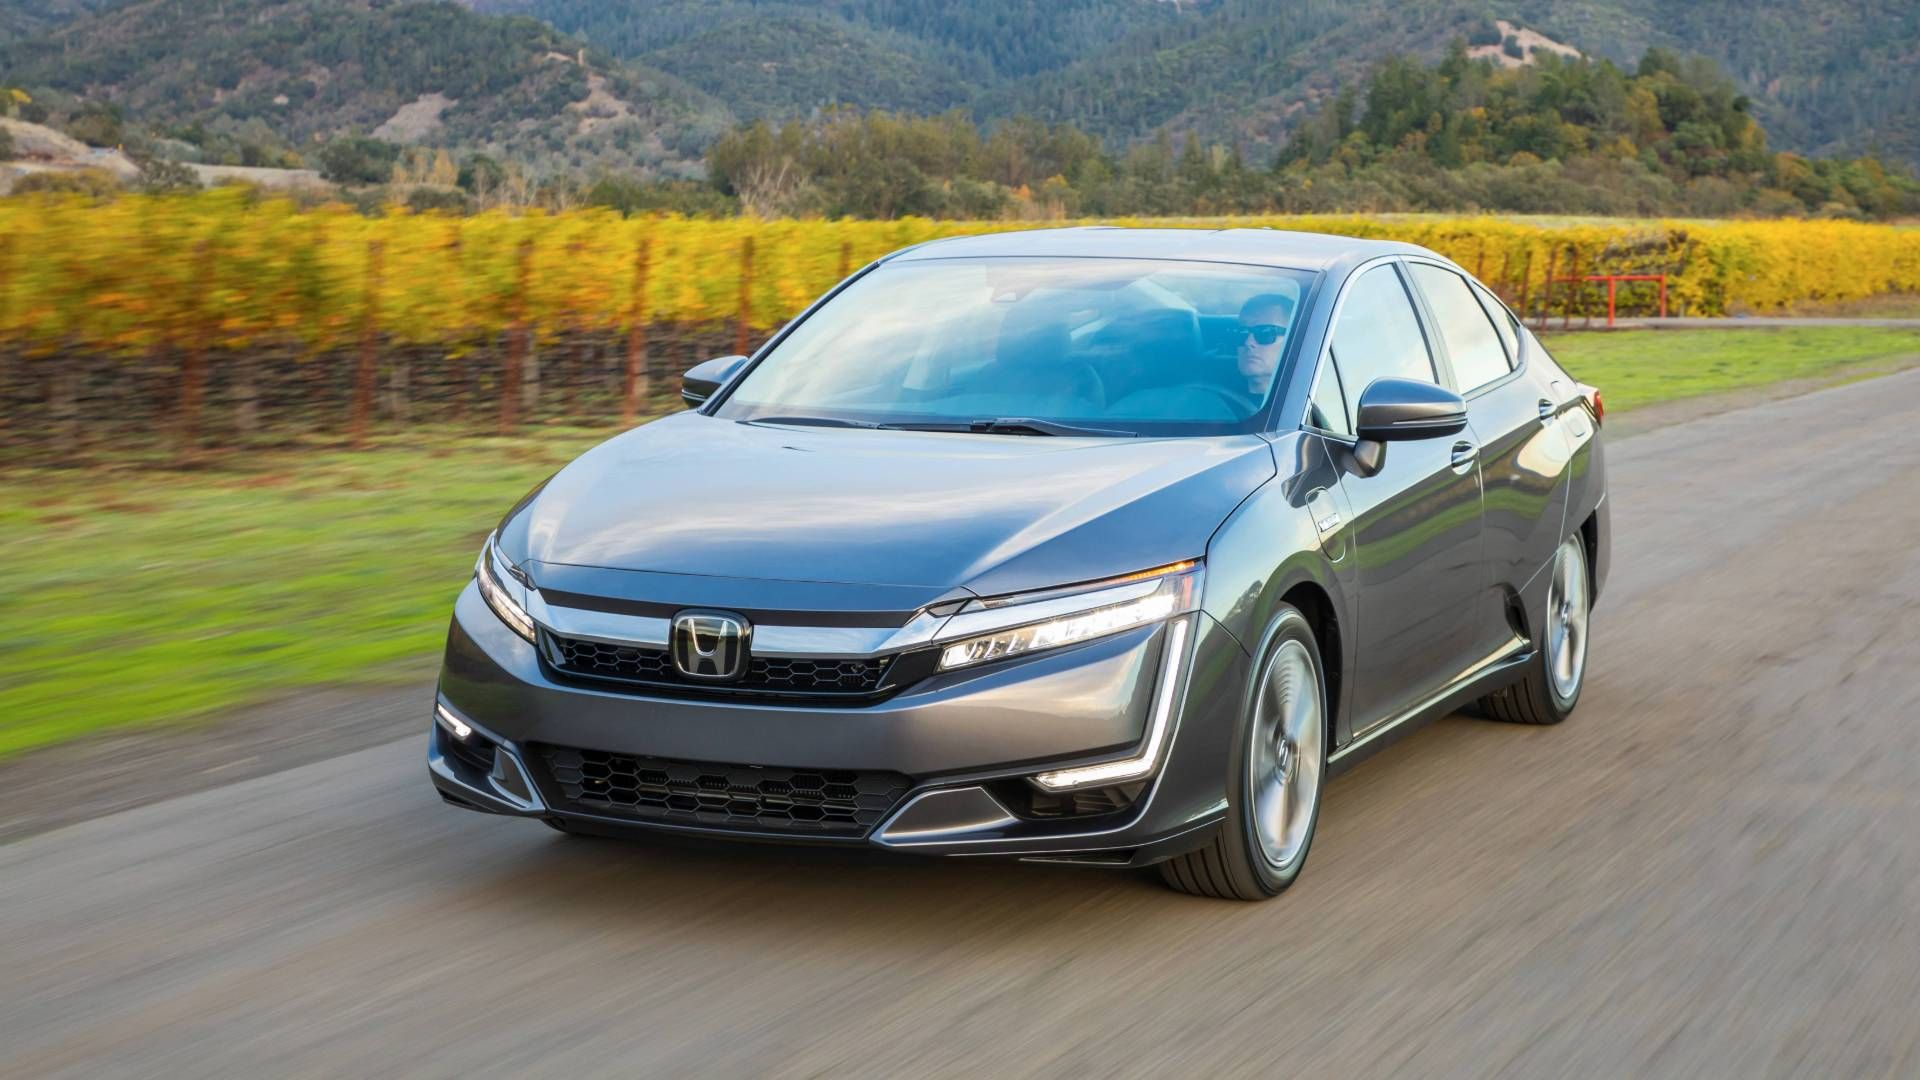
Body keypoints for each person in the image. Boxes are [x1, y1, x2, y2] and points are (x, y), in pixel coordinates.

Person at [1234, 292, 1295, 398]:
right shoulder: (1209, 400)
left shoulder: (1303, 401)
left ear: (1291, 341)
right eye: (1242, 333)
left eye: (1265, 333)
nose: (1248, 343)